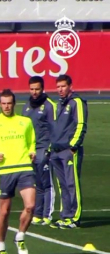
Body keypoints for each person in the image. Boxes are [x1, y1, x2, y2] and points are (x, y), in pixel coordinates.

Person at [0, 89, 36, 254]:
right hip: (6, 171)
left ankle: (20, 236)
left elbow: (31, 141)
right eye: (3, 103)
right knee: (4, 212)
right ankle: (1, 247)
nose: (6, 106)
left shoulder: (25, 122)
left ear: (14, 104)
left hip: (25, 168)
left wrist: (33, 151)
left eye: (9, 103)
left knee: (31, 206)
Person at [49, 74, 87, 229]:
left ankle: (74, 217)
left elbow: (81, 125)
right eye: (58, 87)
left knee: (72, 184)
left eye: (63, 86)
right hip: (57, 150)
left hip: (69, 150)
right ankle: (65, 215)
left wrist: (73, 146)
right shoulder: (59, 104)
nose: (60, 89)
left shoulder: (76, 102)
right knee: (62, 185)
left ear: (70, 86)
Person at [21, 76, 57, 226]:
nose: (34, 92)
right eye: (32, 89)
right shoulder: (27, 105)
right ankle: (38, 213)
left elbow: (54, 128)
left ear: (42, 89)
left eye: (37, 89)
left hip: (44, 148)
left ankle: (47, 214)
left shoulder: (49, 105)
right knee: (36, 183)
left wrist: (50, 148)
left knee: (46, 183)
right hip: (31, 150)